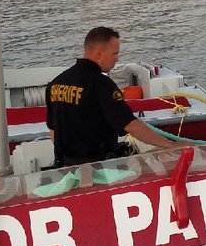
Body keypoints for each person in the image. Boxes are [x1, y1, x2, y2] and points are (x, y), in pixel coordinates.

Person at [46, 27, 188, 166]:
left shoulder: (56, 84)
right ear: (99, 53)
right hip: (100, 168)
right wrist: (170, 145)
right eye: (114, 53)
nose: (117, 59)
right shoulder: (101, 85)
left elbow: (53, 130)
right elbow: (130, 125)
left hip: (67, 166)